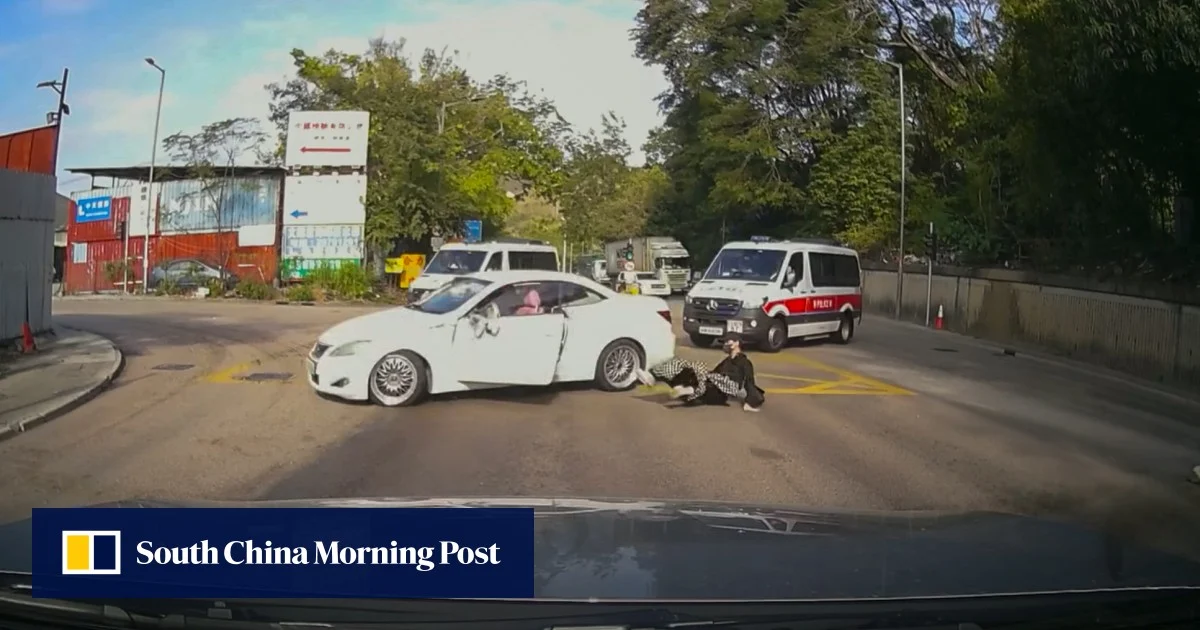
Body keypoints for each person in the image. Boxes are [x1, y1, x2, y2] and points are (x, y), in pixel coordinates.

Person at [635, 335, 765, 412]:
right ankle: (653, 377)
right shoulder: (726, 361)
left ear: (737, 343)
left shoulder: (745, 362)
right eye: (725, 342)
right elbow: (713, 374)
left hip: (720, 392)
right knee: (683, 366)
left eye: (728, 341)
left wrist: (751, 403)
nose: (725, 344)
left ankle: (687, 390)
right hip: (706, 388)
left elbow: (749, 382)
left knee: (706, 382)